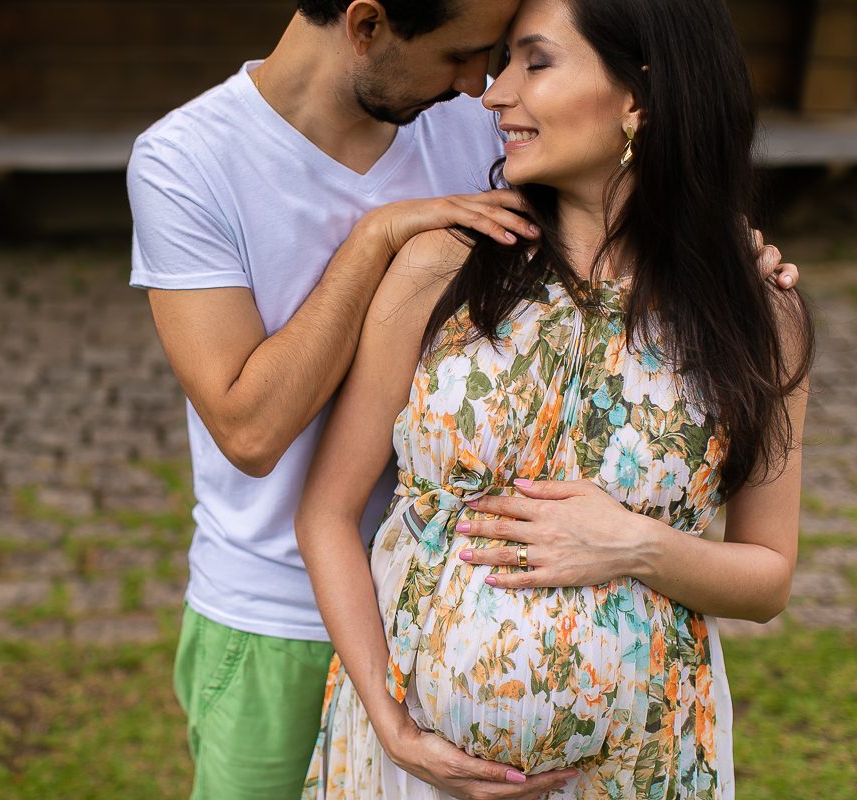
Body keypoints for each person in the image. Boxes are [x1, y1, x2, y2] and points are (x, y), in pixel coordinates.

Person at [128, 1, 798, 798]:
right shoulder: (190, 161)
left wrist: (722, 249)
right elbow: (254, 434)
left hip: (637, 750)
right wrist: (379, 237)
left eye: (518, 60)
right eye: (470, 57)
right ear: (366, 27)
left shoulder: (479, 126)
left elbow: (648, 172)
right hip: (277, 608)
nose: (483, 90)